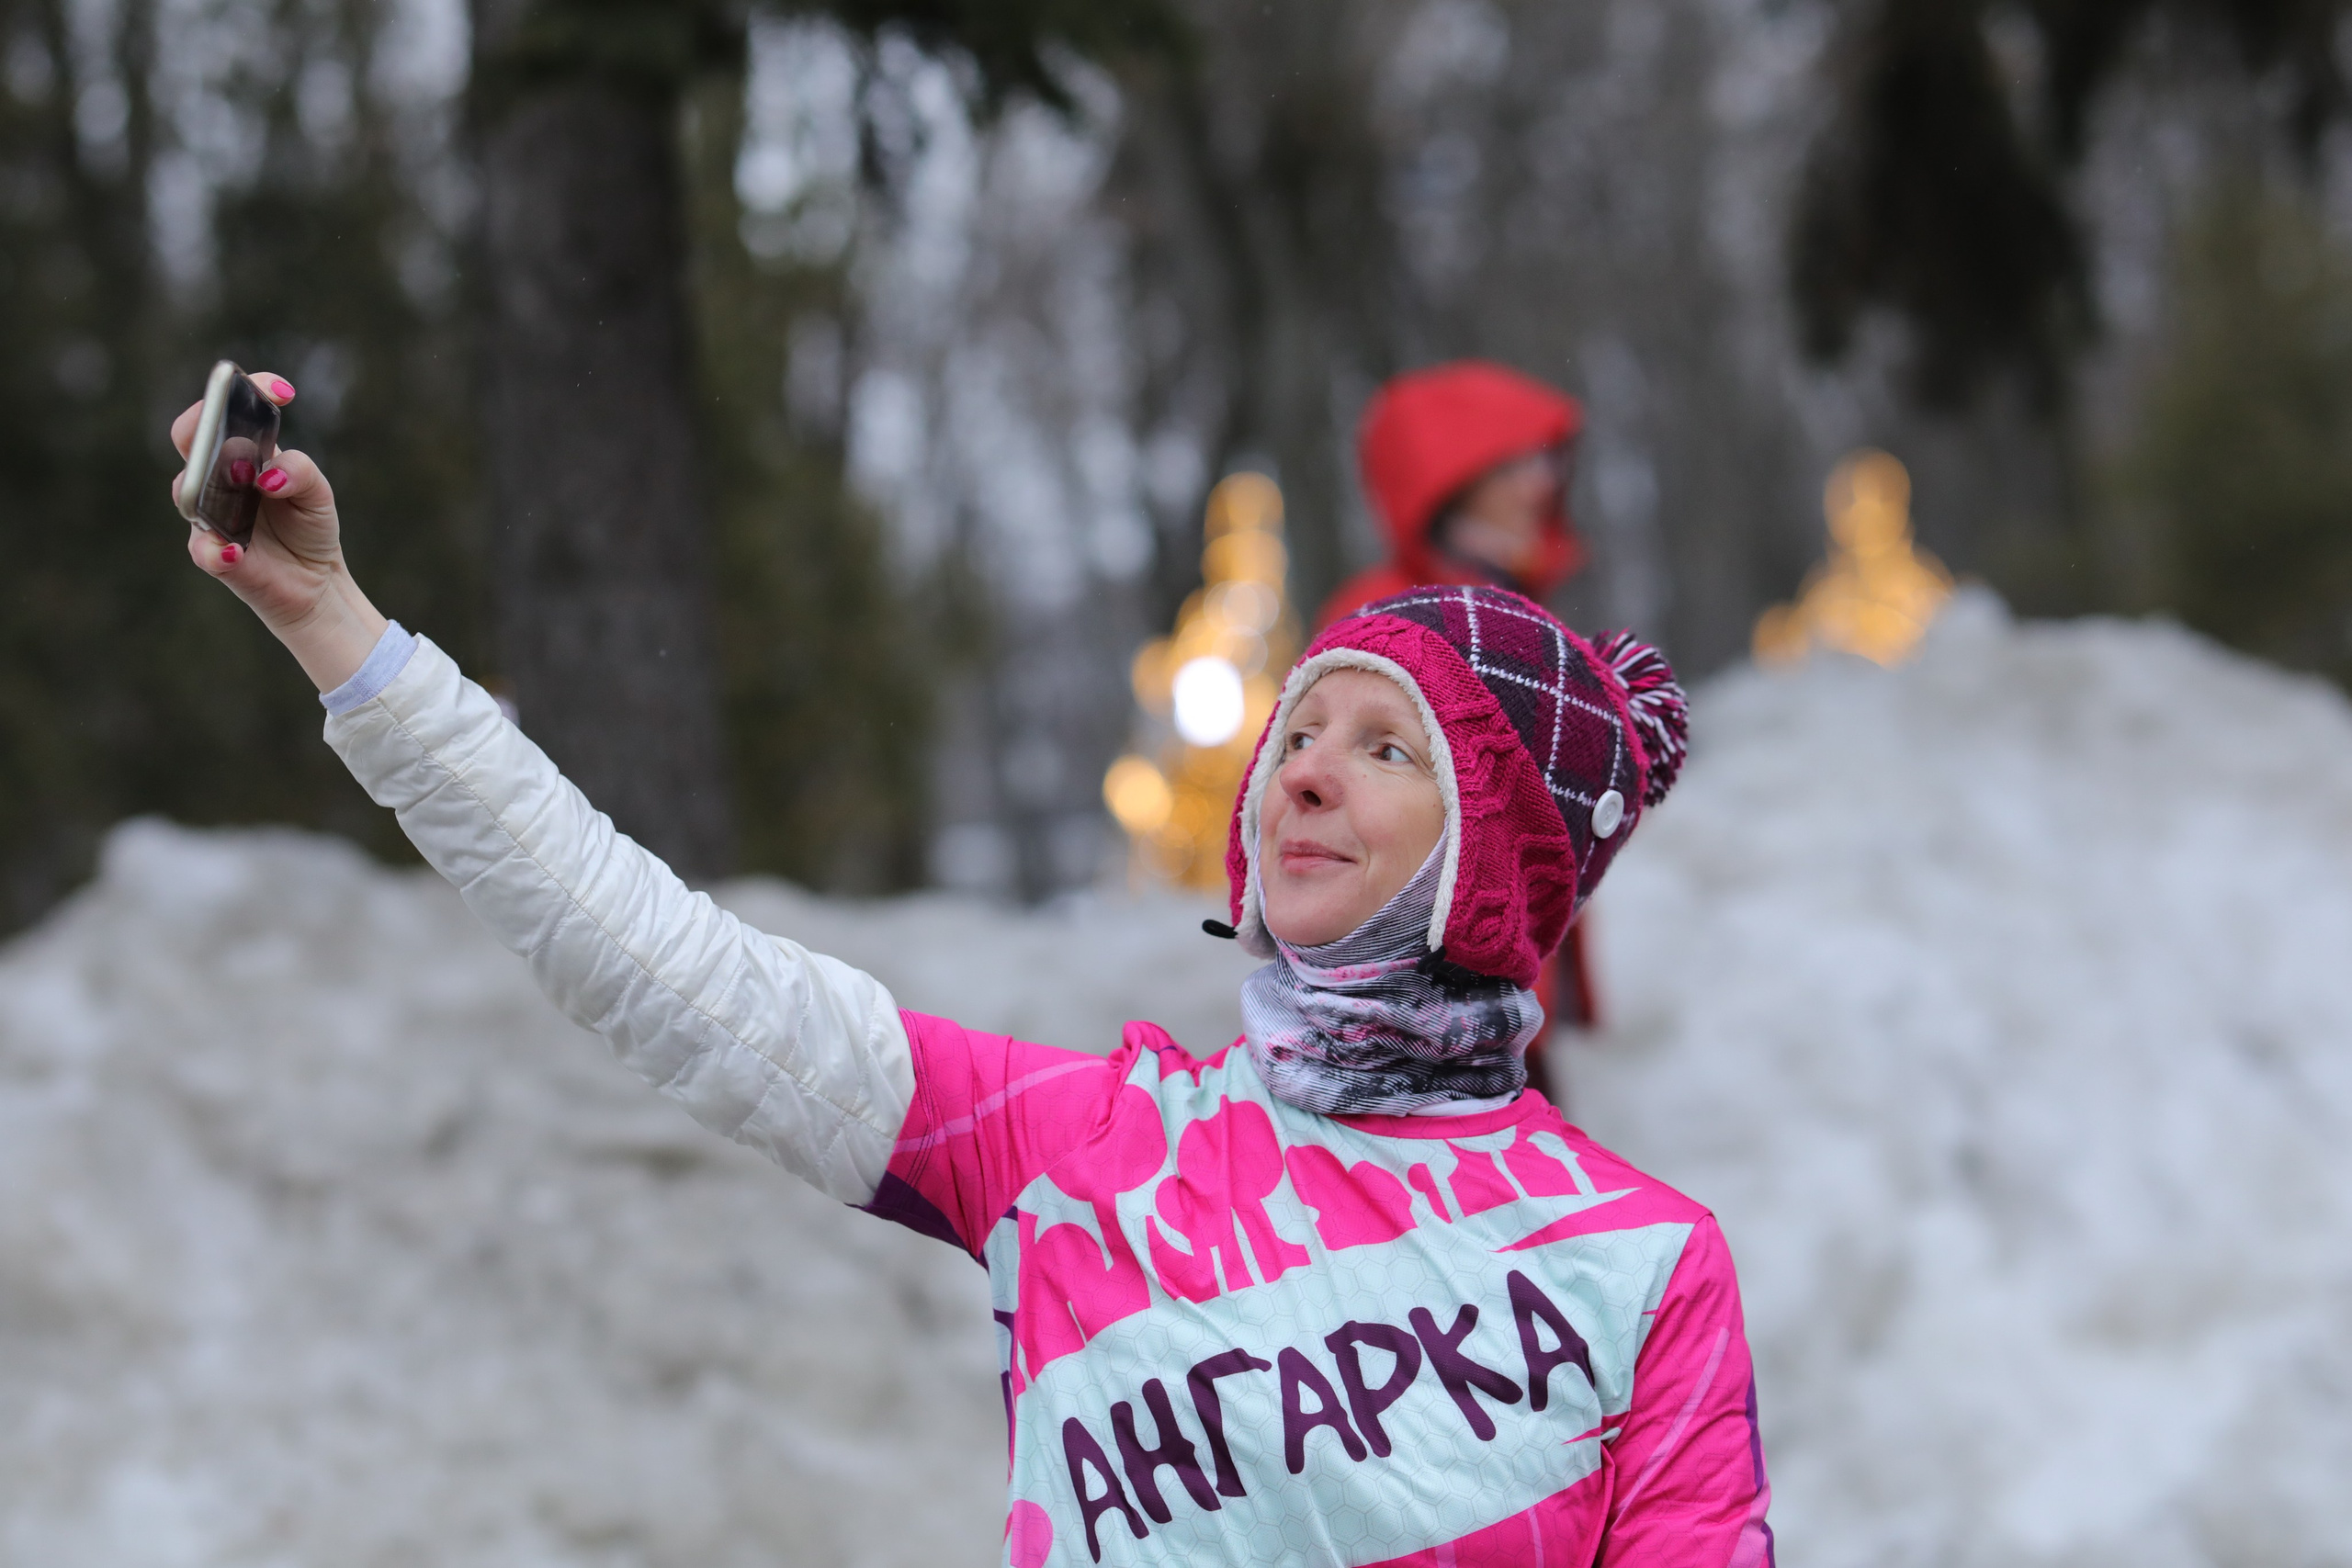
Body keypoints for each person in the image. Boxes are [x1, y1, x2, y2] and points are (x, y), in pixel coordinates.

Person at [171, 373, 1773, 1567]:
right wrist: (338, 628)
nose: (1298, 771)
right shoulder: (1083, 1159)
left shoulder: (1638, 1269)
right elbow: (652, 956)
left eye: (1381, 745)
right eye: (1297, 731)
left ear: (1489, 850)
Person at [1328, 360, 1601, 1048]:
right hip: (1432, 1006)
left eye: (1544, 461)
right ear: (1453, 483)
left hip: (1521, 987)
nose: (1543, 482)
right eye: (1514, 464)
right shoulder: (1385, 612)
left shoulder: (1521, 606)